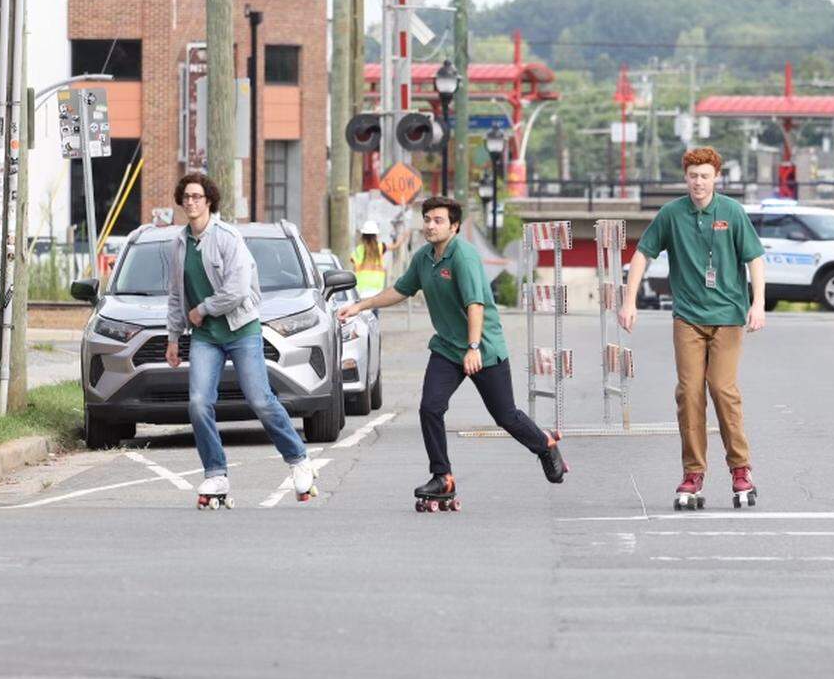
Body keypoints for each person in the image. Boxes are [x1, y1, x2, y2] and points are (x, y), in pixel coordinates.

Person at [338, 196, 566, 509]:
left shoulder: (464, 257)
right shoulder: (423, 258)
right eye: (427, 219)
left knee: (505, 416)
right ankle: (442, 476)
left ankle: (545, 443)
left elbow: (475, 305)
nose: (430, 226)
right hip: (447, 347)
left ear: (454, 226)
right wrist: (359, 306)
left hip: (482, 348)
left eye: (438, 220)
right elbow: (400, 290)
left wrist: (473, 348)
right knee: (430, 408)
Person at [618, 147, 767, 509]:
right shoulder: (672, 214)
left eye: (705, 176)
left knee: (721, 388)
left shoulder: (731, 212)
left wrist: (758, 303)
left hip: (728, 315)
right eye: (693, 176)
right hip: (687, 316)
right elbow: (642, 255)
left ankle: (740, 469)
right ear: (685, 178)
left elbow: (755, 258)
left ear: (716, 177)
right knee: (689, 393)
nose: (698, 182)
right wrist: (629, 300)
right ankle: (693, 472)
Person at [165, 172, 315, 506]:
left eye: (197, 197)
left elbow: (237, 289)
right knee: (198, 402)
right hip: (205, 336)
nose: (191, 202)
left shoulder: (228, 237)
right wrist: (174, 336)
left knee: (260, 399)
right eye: (186, 196)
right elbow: (176, 294)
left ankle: (299, 460)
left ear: (209, 201)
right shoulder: (178, 243)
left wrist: (203, 308)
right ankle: (215, 474)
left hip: (241, 329)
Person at [349, 219, 404, 298]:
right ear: (376, 236)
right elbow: (395, 246)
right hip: (376, 289)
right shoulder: (380, 247)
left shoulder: (357, 251)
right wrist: (402, 236)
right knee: (374, 310)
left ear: (363, 236)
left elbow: (353, 270)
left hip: (361, 290)